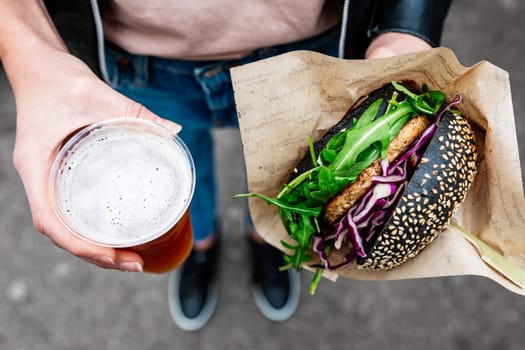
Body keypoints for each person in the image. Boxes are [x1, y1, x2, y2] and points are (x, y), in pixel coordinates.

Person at [0, 0, 452, 331]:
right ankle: (200, 247)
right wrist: (29, 54)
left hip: (307, 50)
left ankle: (267, 239)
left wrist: (403, 29)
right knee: (173, 179)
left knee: (294, 181)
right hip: (137, 61)